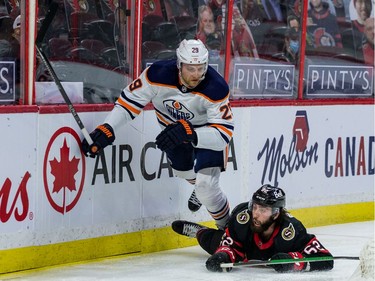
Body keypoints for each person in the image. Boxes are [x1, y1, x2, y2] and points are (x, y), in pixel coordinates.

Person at [81, 39, 234, 229]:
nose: (196, 74)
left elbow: (223, 135)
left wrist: (191, 134)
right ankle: (198, 186)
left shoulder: (216, 87)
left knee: (207, 187)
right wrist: (108, 128)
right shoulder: (157, 74)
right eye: (190, 68)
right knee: (183, 172)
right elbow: (129, 102)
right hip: (172, 133)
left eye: (200, 68)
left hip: (206, 133)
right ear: (179, 65)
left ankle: (227, 229)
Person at [172, 184, 334, 273]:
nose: (256, 214)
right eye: (255, 207)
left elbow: (326, 259)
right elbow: (230, 246)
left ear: (276, 214)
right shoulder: (243, 218)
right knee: (214, 242)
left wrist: (293, 262)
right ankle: (199, 231)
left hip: (270, 250)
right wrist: (223, 255)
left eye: (263, 210)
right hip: (245, 247)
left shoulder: (291, 230)